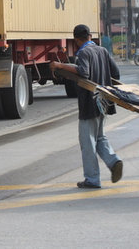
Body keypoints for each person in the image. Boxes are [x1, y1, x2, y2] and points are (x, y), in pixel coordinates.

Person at [50, 24, 123, 189]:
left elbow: (84, 72)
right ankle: (113, 161)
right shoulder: (102, 51)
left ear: (76, 39)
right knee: (100, 137)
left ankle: (92, 179)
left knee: (88, 142)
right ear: (90, 36)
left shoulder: (83, 53)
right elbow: (116, 73)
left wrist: (61, 66)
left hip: (89, 102)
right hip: (103, 101)